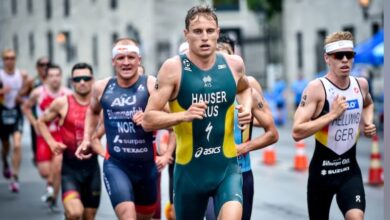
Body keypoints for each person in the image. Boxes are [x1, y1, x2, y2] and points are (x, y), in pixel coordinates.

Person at [142, 5, 252, 220]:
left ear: (218, 33)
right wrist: (183, 115)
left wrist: (246, 108)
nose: (205, 37)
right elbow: (148, 119)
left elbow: (245, 88)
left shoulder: (234, 64)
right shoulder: (173, 69)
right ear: (187, 34)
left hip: (226, 169)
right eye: (197, 31)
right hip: (190, 174)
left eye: (210, 31)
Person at [76, 38, 171, 220]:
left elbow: (172, 119)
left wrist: (150, 117)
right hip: (117, 165)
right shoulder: (101, 88)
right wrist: (87, 138)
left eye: (130, 57)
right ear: (113, 61)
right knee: (127, 216)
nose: (126, 62)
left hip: (147, 168)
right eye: (120, 58)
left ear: (139, 59)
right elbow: (93, 111)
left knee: (146, 216)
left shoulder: (151, 84)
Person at [292, 31, 376, 220]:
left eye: (350, 55)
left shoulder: (360, 84)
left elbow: (368, 103)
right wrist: (332, 115)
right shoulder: (316, 88)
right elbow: (296, 131)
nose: (345, 60)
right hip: (322, 174)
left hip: (349, 172)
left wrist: (367, 122)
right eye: (339, 56)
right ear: (327, 58)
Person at [204, 34, 279, 220]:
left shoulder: (249, 88)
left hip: (241, 172)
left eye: (228, 57)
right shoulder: (201, 89)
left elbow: (270, 127)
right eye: (218, 58)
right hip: (207, 174)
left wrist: (244, 144)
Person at [37, 63, 101, 220]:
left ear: (93, 80)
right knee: (74, 213)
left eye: (86, 78)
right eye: (77, 79)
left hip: (92, 170)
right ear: (72, 81)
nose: (82, 82)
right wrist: (52, 143)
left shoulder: (101, 104)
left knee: (88, 216)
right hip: (70, 171)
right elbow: (41, 122)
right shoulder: (62, 102)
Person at [22, 64, 71, 208]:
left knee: (58, 166)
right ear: (46, 77)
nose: (55, 79)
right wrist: (34, 123)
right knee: (44, 172)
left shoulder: (67, 94)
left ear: (61, 77)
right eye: (51, 76)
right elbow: (25, 107)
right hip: (44, 135)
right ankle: (51, 185)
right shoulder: (38, 92)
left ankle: (53, 195)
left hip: (60, 136)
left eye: (57, 75)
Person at [0, 49, 28, 192]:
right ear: (3, 60)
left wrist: (24, 90)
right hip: (2, 112)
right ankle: (5, 161)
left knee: (17, 145)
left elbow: (27, 91)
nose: (9, 61)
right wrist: (1, 92)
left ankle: (15, 178)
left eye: (12, 58)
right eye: (6, 58)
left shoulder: (21, 75)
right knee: (6, 146)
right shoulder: (0, 75)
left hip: (16, 112)